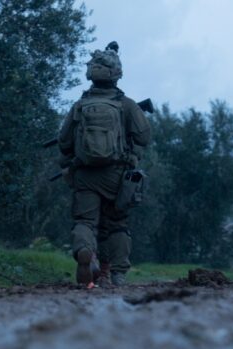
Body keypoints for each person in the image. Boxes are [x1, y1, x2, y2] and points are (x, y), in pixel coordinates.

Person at [58, 42, 152, 288]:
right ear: (117, 74)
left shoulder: (80, 105)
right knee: (117, 224)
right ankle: (118, 275)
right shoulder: (127, 104)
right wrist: (131, 152)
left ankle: (84, 251)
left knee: (85, 222)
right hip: (116, 175)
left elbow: (64, 142)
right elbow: (144, 137)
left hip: (85, 174)